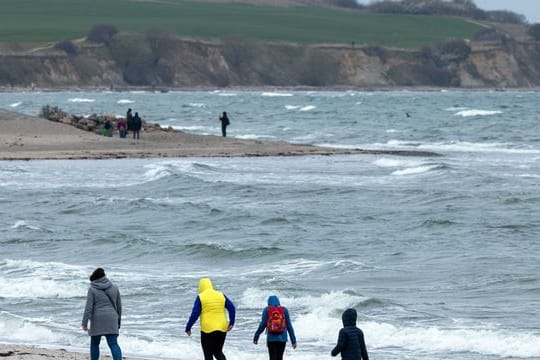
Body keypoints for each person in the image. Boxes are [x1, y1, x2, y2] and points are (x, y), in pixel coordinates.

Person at [185, 277, 236, 360]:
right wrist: (231, 322)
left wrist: (188, 327)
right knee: (218, 351)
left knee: (208, 354)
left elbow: (195, 314)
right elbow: (232, 308)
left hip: (207, 329)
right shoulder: (220, 294)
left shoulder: (201, 297)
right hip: (222, 327)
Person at [82, 268, 122, 360]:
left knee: (95, 344)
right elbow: (119, 307)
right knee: (113, 344)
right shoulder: (115, 287)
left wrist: (84, 323)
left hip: (97, 320)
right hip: (112, 318)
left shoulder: (92, 289)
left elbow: (88, 308)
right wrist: (118, 322)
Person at [253, 295, 297, 360]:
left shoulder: (267, 310)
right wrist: (293, 341)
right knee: (280, 358)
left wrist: (256, 336)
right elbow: (289, 326)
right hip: (282, 339)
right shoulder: (284, 310)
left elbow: (262, 325)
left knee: (272, 358)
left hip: (271, 339)